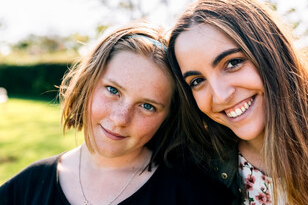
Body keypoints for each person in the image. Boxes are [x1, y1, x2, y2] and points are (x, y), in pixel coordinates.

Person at [167, 0, 308, 205]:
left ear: (272, 52)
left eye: (233, 63)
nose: (221, 96)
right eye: (197, 81)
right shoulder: (199, 171)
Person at [0, 22, 233, 205]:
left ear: (169, 117)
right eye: (113, 90)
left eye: (147, 106)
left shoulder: (193, 195)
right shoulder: (26, 188)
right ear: (88, 84)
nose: (120, 119)